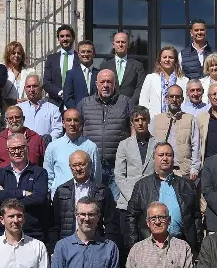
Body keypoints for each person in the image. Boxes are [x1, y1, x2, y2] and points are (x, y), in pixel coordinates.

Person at [126, 142, 200, 251]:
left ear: (173, 159)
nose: (165, 158)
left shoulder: (187, 185)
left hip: (181, 246)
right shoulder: (142, 186)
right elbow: (131, 217)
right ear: (154, 158)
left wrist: (197, 246)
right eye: (161, 155)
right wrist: (134, 247)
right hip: (149, 247)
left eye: (168, 155)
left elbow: (196, 218)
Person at [78, 69, 133, 199]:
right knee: (92, 205)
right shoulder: (85, 104)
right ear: (96, 83)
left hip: (117, 167)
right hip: (91, 167)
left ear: (115, 84)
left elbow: (133, 128)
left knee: (115, 208)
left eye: (109, 82)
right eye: (102, 82)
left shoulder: (125, 102)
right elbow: (75, 129)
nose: (106, 85)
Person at [50, 150, 120, 245]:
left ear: (90, 166)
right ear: (70, 168)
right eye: (74, 165)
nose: (78, 168)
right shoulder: (61, 191)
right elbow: (55, 224)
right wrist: (55, 246)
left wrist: (108, 246)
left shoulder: (103, 190)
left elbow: (110, 223)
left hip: (95, 244)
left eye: (82, 164)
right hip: (67, 244)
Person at [0, 133, 49, 241]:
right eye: (13, 149)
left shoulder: (39, 173)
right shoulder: (0, 173)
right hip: (4, 234)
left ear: (27, 148)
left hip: (33, 234)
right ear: (8, 151)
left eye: (20, 148)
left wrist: (5, 195)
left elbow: (39, 199)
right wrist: (22, 193)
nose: (17, 152)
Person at [115, 107, 161, 237]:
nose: (140, 123)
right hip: (127, 202)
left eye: (143, 119)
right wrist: (133, 198)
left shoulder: (158, 144)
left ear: (148, 121)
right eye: (137, 120)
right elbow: (119, 175)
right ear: (132, 123)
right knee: (128, 241)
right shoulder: (124, 145)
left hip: (151, 200)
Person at [44, 108, 102, 191]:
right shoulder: (53, 147)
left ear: (81, 124)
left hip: (85, 199)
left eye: (76, 120)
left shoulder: (91, 147)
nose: (72, 124)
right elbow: (48, 176)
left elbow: (96, 176)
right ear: (63, 123)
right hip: (60, 198)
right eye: (68, 120)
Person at [150, 85, 200, 180]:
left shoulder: (190, 119)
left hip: (183, 172)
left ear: (182, 99)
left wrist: (194, 168)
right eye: (171, 96)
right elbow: (150, 147)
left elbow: (196, 145)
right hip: (160, 173)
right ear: (166, 99)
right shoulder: (156, 120)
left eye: (177, 97)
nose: (174, 99)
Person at [139, 46, 188, 117]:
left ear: (175, 61)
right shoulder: (150, 78)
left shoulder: (184, 80)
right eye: (164, 57)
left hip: (178, 120)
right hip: (155, 121)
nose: (167, 60)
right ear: (160, 60)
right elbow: (143, 102)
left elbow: (186, 103)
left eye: (171, 57)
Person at [100, 31, 147, 102]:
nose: (120, 44)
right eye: (118, 42)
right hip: (110, 106)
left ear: (128, 45)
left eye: (123, 42)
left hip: (131, 107)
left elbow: (140, 87)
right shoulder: (105, 66)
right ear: (113, 45)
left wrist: (130, 104)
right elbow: (101, 86)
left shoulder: (138, 66)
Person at [18, 75, 64, 144]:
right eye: (28, 87)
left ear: (41, 88)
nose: (31, 90)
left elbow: (58, 130)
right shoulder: (18, 109)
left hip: (46, 148)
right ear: (24, 89)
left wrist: (47, 140)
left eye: (35, 86)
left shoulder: (53, 109)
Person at [42, 24, 77, 108]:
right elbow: (46, 83)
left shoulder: (79, 58)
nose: (65, 39)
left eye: (68, 36)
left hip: (75, 103)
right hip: (55, 104)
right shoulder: (51, 59)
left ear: (73, 38)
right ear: (58, 39)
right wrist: (60, 93)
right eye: (62, 36)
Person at [63, 40, 98, 110]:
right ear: (78, 54)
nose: (85, 54)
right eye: (82, 52)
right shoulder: (71, 74)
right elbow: (67, 97)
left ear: (94, 54)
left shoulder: (99, 74)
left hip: (96, 114)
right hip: (78, 115)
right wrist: (77, 112)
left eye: (89, 51)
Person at [1, 41, 36, 107]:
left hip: (27, 108)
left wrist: (29, 99)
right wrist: (9, 100)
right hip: (9, 109)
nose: (16, 55)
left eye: (19, 53)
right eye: (13, 53)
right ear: (8, 55)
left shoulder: (31, 72)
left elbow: (37, 92)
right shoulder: (3, 72)